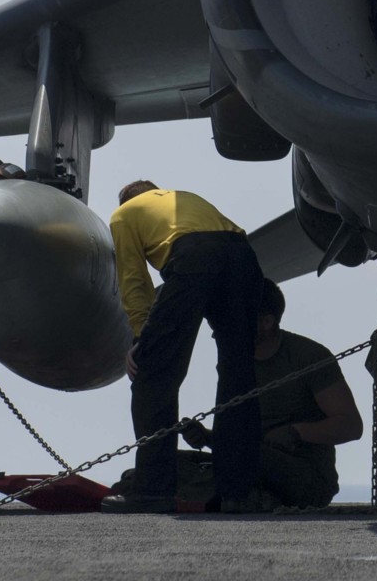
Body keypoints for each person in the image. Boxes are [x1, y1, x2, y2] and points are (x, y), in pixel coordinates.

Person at [99, 181, 267, 514]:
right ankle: (236, 492)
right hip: (242, 254)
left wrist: (139, 341)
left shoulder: (123, 214)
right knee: (239, 375)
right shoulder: (183, 198)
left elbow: (134, 280)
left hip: (193, 255)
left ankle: (153, 491)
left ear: (127, 200)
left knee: (153, 375)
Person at [169, 280, 361, 509]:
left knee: (247, 459)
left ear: (267, 321)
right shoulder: (234, 362)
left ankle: (228, 497)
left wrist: (295, 432)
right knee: (164, 463)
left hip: (305, 477)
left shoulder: (308, 356)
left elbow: (351, 426)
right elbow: (238, 439)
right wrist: (208, 437)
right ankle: (246, 498)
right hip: (246, 461)